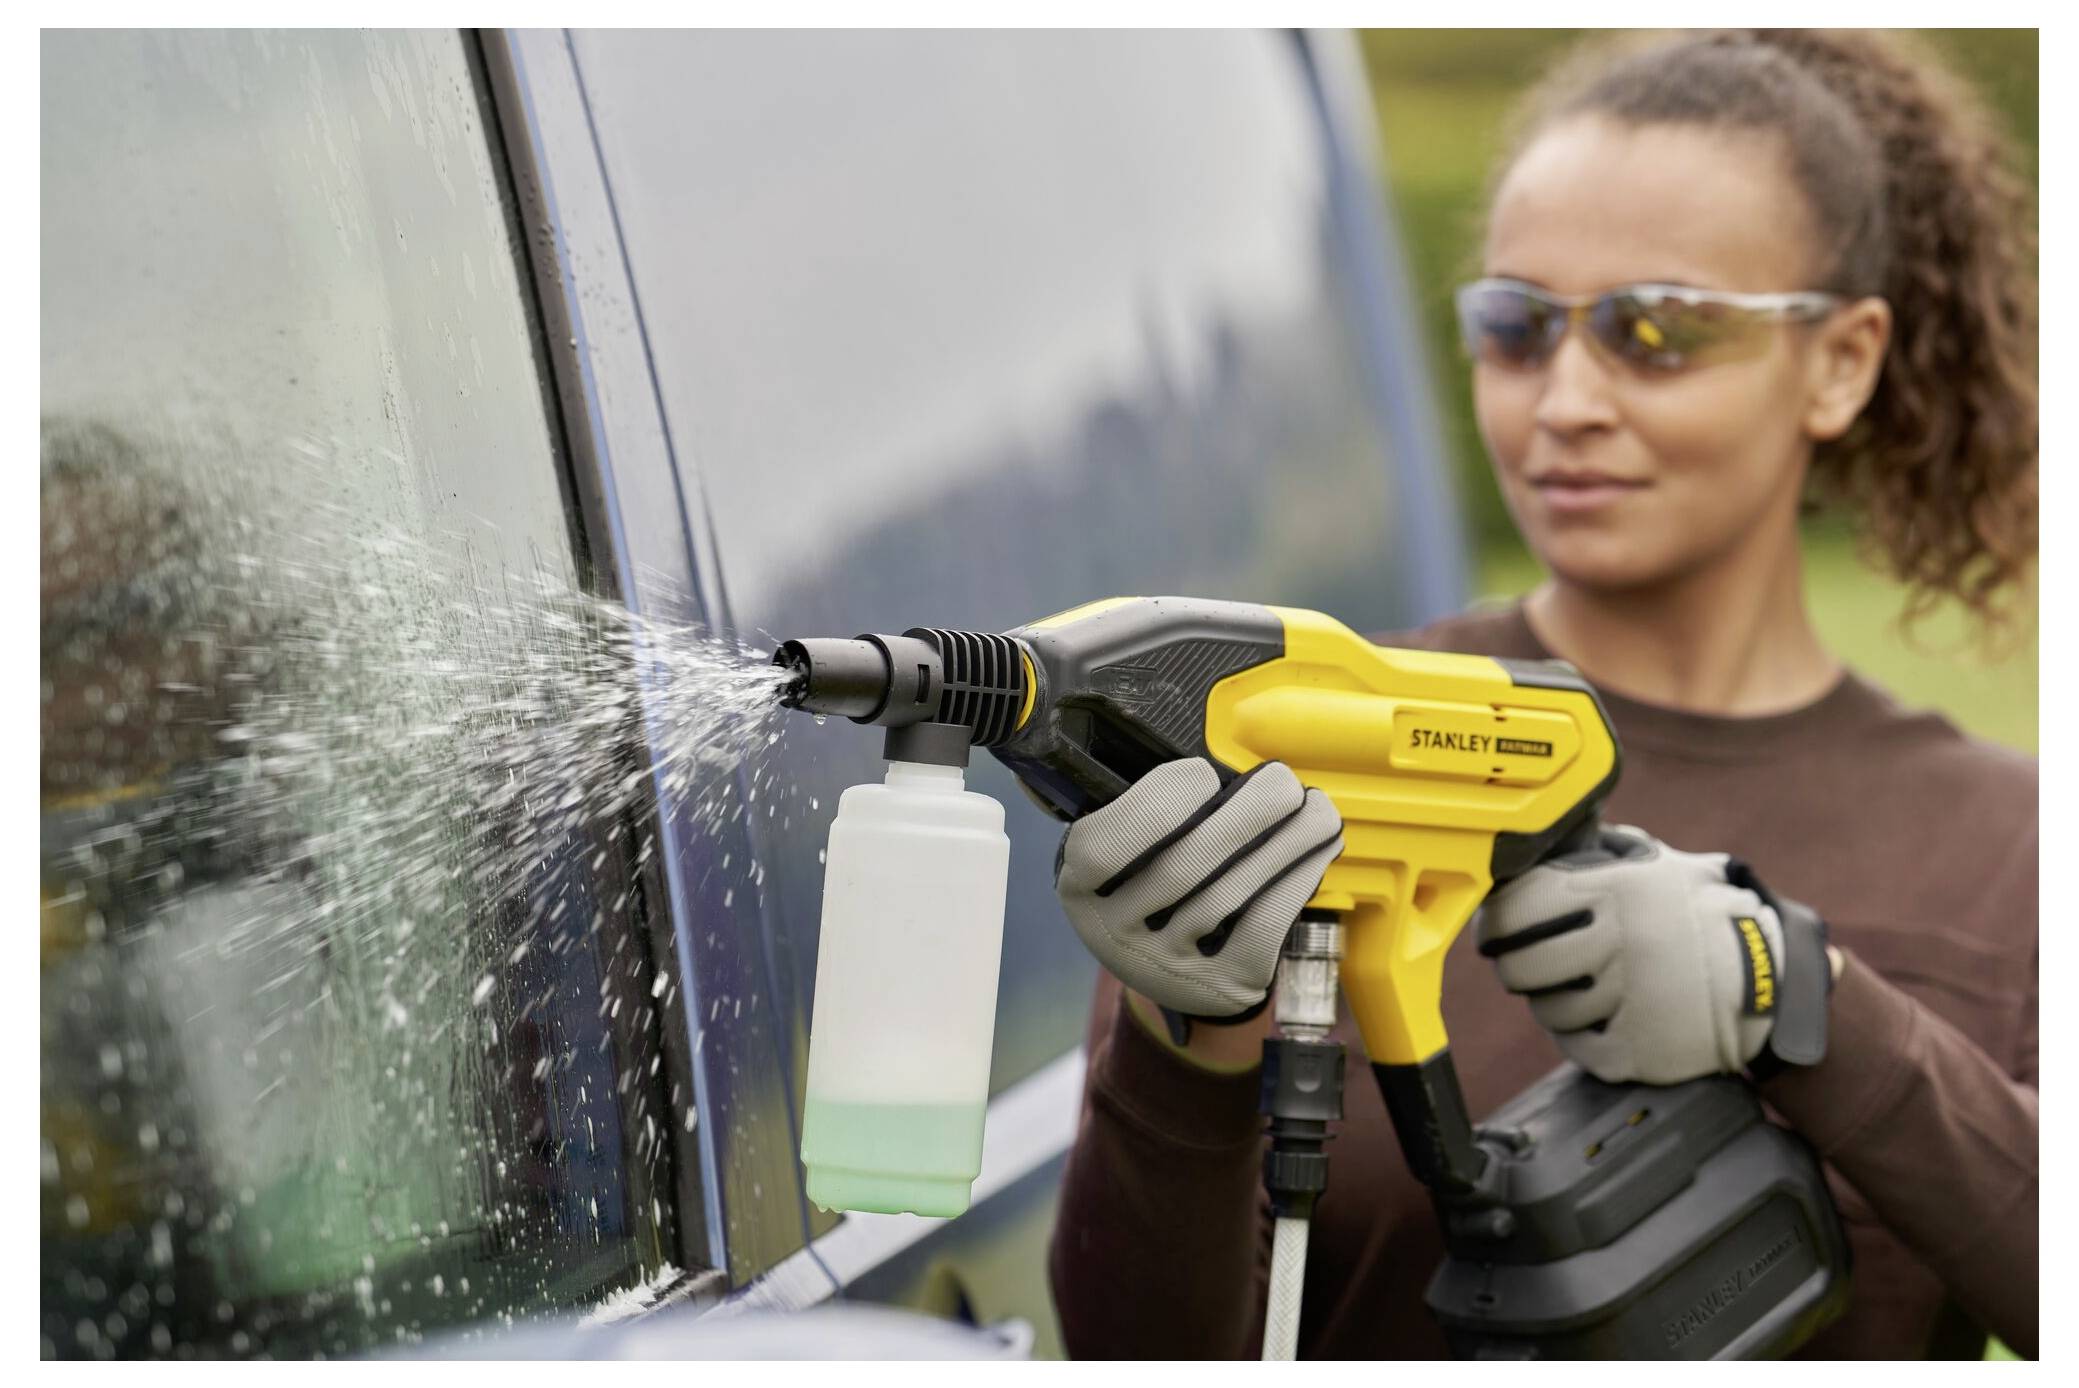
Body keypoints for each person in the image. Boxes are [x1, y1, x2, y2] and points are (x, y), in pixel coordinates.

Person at [1045, 28, 2037, 1360]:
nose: (1565, 399)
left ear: (1844, 360)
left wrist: (1800, 997)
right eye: (1516, 326)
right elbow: (1134, 1352)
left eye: (1656, 330)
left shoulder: (2012, 850)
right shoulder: (1313, 738)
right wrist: (1187, 1052)